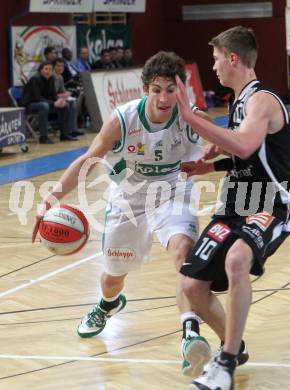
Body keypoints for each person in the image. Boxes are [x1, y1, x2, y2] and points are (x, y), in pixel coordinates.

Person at [32, 51, 213, 377]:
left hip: (174, 193)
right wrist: (51, 198)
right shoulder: (123, 119)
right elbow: (87, 163)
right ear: (145, 89)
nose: (163, 97)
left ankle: (190, 336)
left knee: (184, 254)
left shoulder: (192, 119)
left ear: (180, 91)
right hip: (129, 198)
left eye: (171, 90)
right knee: (113, 277)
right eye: (157, 89)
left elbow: (228, 148)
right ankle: (108, 304)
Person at [175, 26, 290, 390]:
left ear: (233, 58)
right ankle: (237, 346)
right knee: (192, 285)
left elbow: (244, 146)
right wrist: (208, 166)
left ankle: (225, 364)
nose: (213, 67)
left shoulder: (262, 100)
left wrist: (193, 119)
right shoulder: (239, 103)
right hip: (236, 205)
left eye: (215, 58)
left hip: (272, 204)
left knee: (236, 260)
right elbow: (247, 159)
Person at [20, 61, 77, 143]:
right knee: (44, 105)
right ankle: (43, 137)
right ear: (41, 70)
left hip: (45, 103)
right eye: (46, 69)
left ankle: (64, 134)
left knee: (65, 105)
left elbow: (53, 95)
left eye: (50, 69)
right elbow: (37, 98)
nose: (48, 71)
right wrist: (54, 103)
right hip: (30, 104)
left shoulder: (51, 79)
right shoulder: (35, 79)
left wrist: (59, 101)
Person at [53, 58, 84, 137]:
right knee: (68, 104)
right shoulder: (51, 77)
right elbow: (51, 94)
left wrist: (67, 94)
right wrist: (62, 96)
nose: (60, 68)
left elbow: (62, 91)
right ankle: (67, 130)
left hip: (57, 97)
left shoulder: (60, 77)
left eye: (62, 66)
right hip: (52, 100)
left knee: (73, 102)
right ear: (53, 67)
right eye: (58, 66)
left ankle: (72, 129)